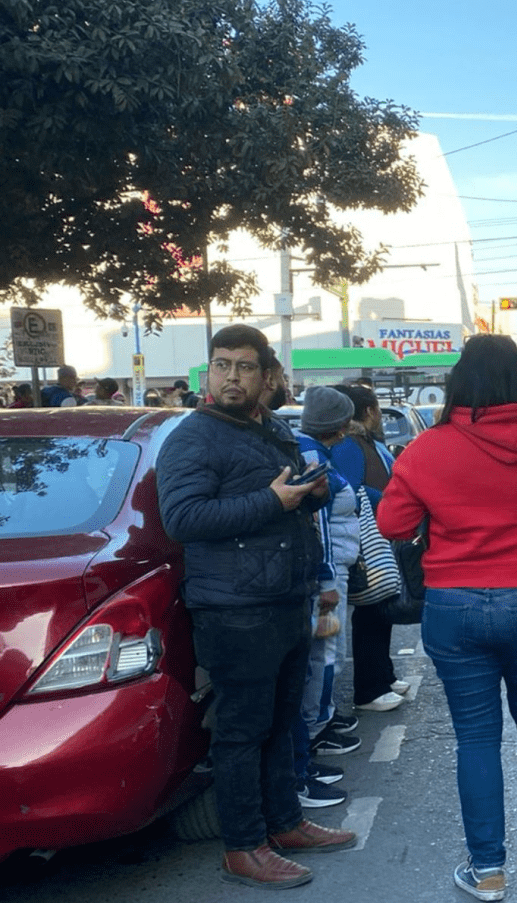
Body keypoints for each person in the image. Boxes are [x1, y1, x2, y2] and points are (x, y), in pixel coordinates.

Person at [377, 335, 517, 902]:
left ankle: (489, 871)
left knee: (476, 737)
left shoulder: (427, 450)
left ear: (460, 382)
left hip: (454, 607)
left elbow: (392, 526)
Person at [156, 324, 355, 890]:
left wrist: (307, 490)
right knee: (242, 732)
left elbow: (283, 491)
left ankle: (285, 823)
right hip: (234, 608)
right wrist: (271, 500)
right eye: (222, 365)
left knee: (279, 722)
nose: (232, 377)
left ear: (267, 376)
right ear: (208, 372)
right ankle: (243, 846)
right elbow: (184, 519)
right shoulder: (194, 437)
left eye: (244, 367)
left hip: (284, 598)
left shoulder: (266, 426)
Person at [292, 385, 361, 807]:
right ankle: (312, 737)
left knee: (324, 658)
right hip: (325, 579)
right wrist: (326, 580)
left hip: (328, 574)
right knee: (324, 657)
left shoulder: (313, 450)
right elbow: (317, 526)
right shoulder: (311, 456)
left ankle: (316, 732)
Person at [330, 383, 408, 712]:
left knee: (382, 605)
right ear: (367, 412)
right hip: (366, 539)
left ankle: (384, 675)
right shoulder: (349, 445)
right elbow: (352, 491)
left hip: (380, 533)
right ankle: (369, 689)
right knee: (371, 610)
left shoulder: (365, 442)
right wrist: (391, 500)